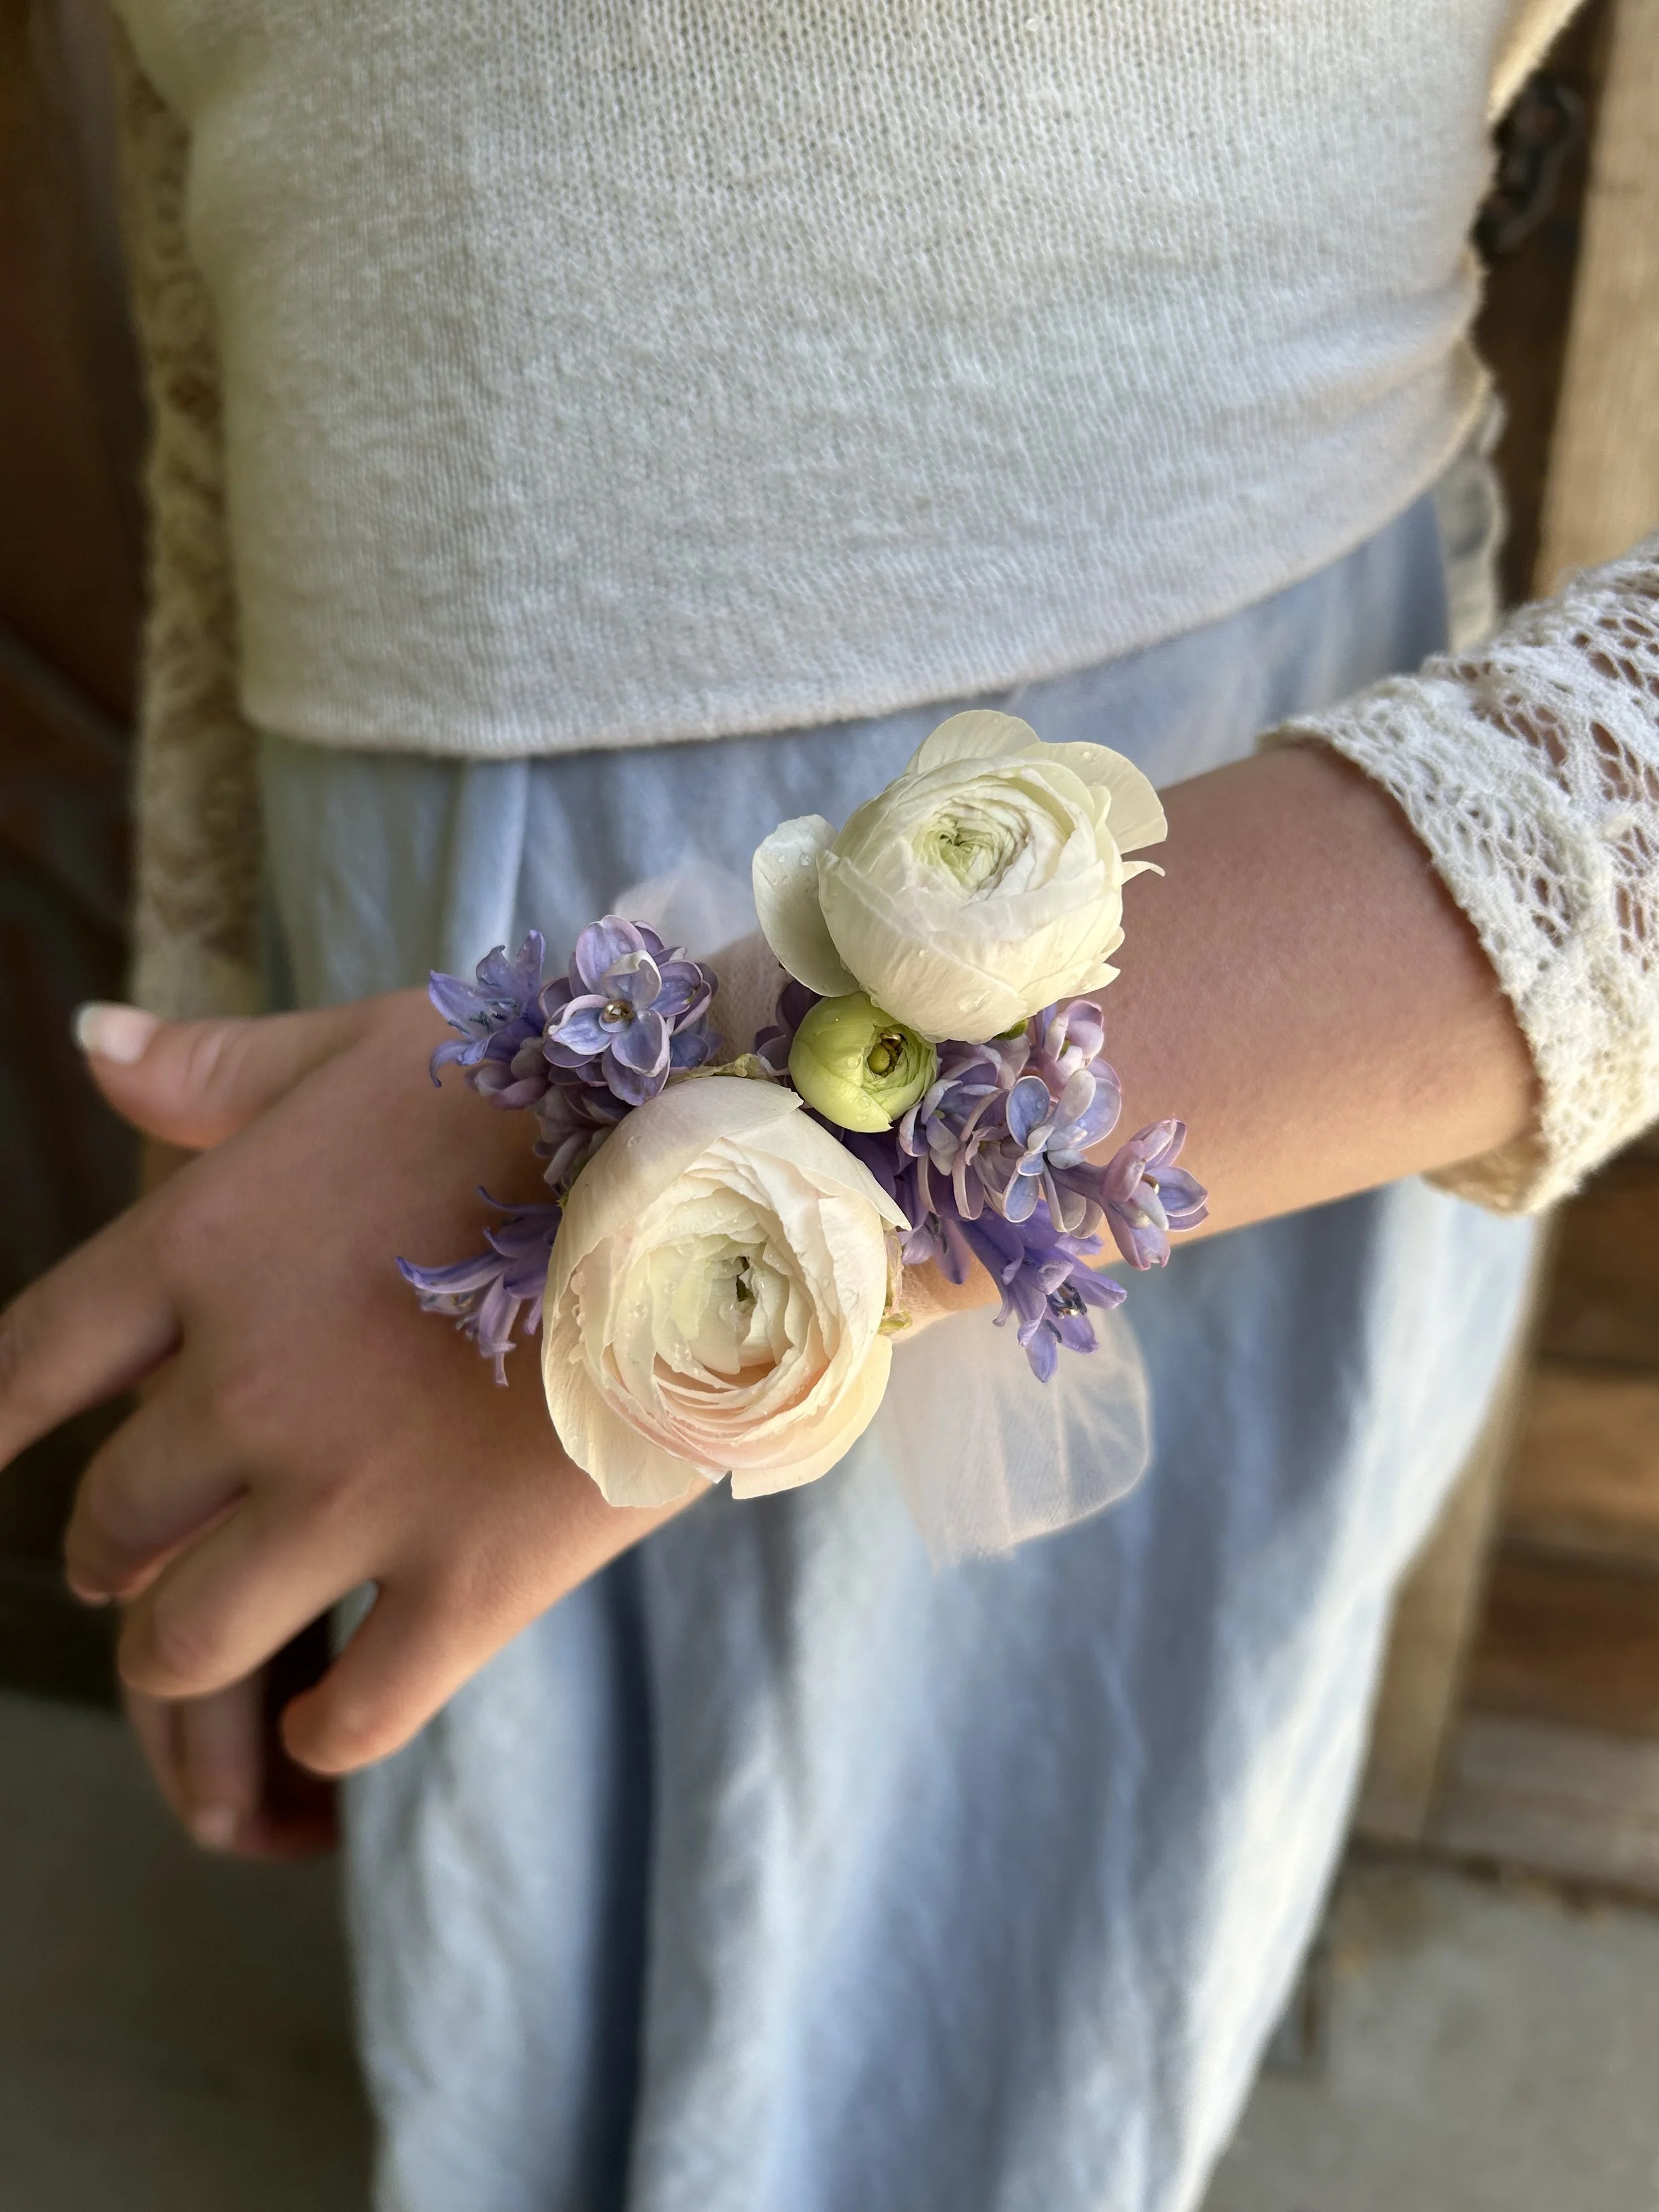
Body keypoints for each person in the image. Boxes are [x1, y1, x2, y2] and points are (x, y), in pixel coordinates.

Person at [5, 5, 1657, 2207]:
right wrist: (226, 1178)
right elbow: (238, 310)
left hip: (1182, 960)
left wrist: (718, 1138)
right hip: (366, 1000)